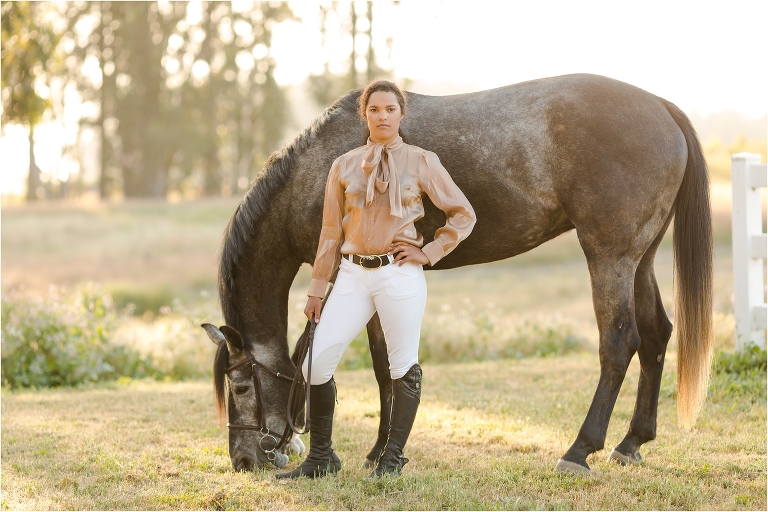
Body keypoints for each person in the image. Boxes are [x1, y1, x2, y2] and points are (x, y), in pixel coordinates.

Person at [276, 80, 476, 480]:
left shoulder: (422, 161)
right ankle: (321, 458)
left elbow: (462, 214)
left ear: (401, 114)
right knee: (317, 363)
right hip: (351, 274)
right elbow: (330, 234)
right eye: (374, 110)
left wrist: (430, 251)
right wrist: (317, 289)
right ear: (363, 114)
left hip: (398, 274)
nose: (382, 116)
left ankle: (392, 457)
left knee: (402, 366)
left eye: (390, 109)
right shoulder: (344, 165)